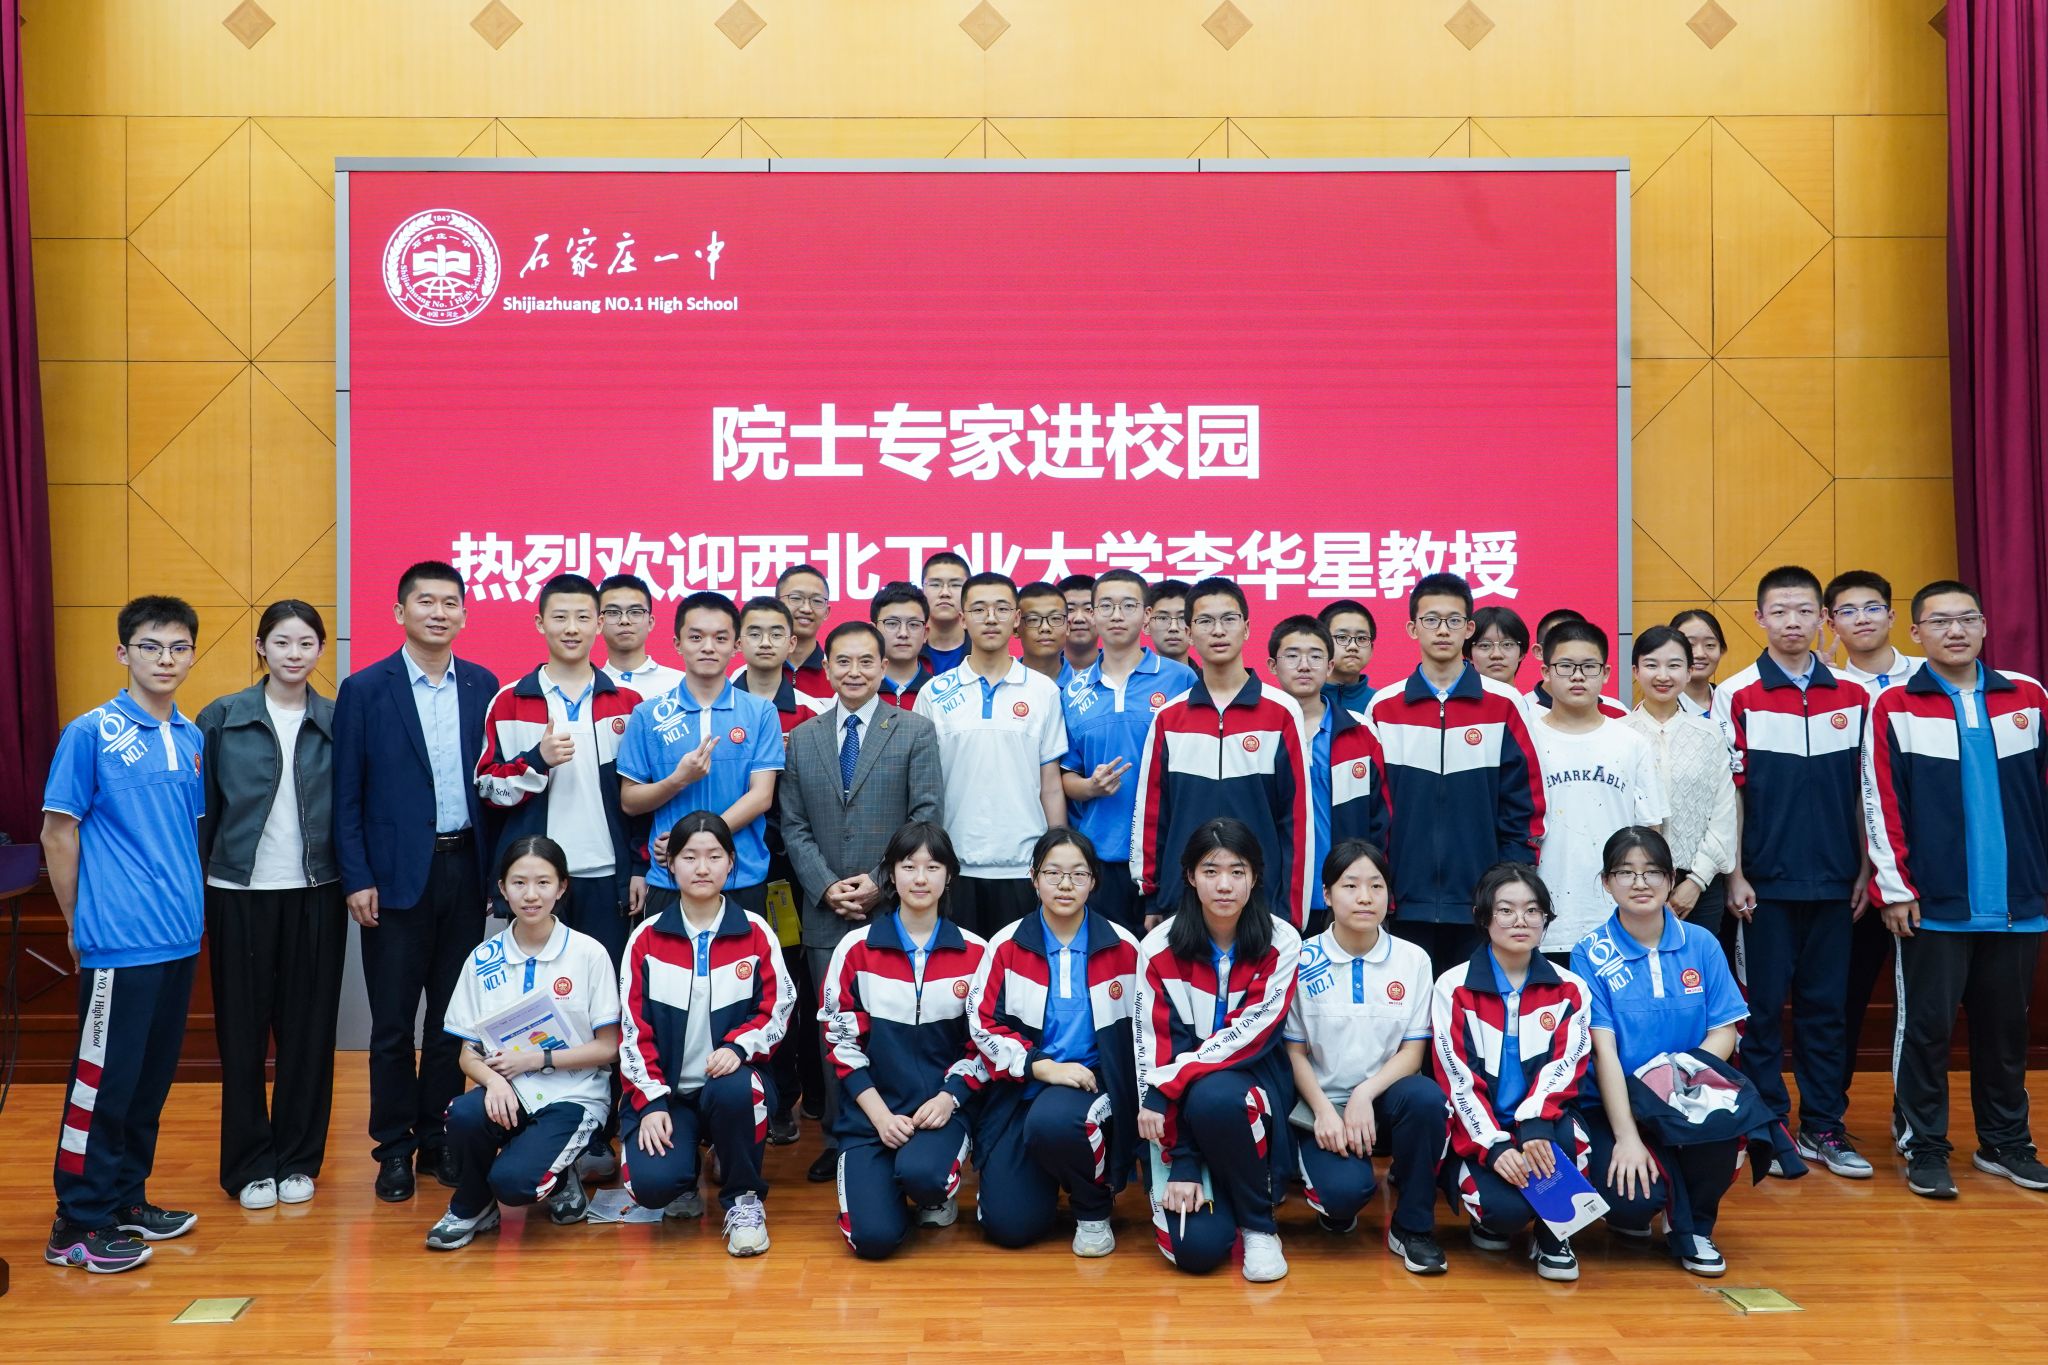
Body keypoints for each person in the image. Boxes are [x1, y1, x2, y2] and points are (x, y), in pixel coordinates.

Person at [1865, 579, 2048, 1198]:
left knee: (2006, 1034)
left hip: (2017, 903)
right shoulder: (1894, 706)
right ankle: (1924, 1147)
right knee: (1926, 1033)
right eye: (1940, 621)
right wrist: (1895, 889)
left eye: (1967, 618)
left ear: (1985, 626)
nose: (1956, 630)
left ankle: (2006, 1144)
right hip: (1934, 906)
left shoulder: (2028, 696)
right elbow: (1880, 802)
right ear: (1916, 633)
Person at [42, 596, 206, 1274]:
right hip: (118, 939)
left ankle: (124, 1200)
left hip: (178, 938)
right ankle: (76, 1223)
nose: (165, 659)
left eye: (178, 647)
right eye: (150, 646)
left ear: (191, 655)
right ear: (123, 653)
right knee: (102, 1086)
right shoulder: (90, 732)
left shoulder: (191, 735)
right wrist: (77, 921)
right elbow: (58, 831)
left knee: (146, 1082)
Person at [334, 560, 499, 1202]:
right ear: (400, 612)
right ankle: (394, 1149)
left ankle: (438, 1137)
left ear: (464, 615)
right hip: (393, 878)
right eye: (425, 602)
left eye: (450, 602)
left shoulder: (483, 685)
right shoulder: (365, 690)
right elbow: (347, 793)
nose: (439, 612)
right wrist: (357, 876)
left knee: (453, 1021)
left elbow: (493, 783)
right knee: (393, 1025)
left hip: (464, 869)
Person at [474, 572, 647, 1180]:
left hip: (606, 876)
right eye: (560, 617)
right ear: (539, 623)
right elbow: (487, 788)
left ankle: (599, 1131)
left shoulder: (628, 703)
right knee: (533, 1004)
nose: (572, 628)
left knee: (605, 1009)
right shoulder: (511, 700)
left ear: (598, 625)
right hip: (535, 886)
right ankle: (532, 1122)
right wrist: (534, 761)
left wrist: (638, 866)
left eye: (582, 617)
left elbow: (640, 797)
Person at [1717, 564, 1873, 1180]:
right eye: (1779, 611)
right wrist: (1735, 873)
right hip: (1764, 886)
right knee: (1759, 1013)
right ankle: (1771, 1127)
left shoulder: (1855, 696)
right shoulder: (1737, 695)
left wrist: (1865, 867)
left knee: (1826, 1010)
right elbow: (1730, 794)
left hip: (1837, 882)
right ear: (1760, 618)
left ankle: (1824, 1126)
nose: (1792, 622)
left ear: (1822, 619)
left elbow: (1865, 792)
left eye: (1804, 611)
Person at [781, 620, 944, 1183]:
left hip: (897, 906)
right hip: (825, 910)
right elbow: (793, 824)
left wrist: (880, 881)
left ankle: (906, 1127)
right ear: (826, 668)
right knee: (836, 1027)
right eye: (843, 662)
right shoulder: (804, 737)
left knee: (897, 1025)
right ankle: (842, 1136)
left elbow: (926, 816)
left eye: (866, 661)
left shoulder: (915, 730)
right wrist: (826, 886)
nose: (854, 672)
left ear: (883, 667)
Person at [196, 600, 345, 1211]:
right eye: (281, 642)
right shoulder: (222, 717)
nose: (294, 654)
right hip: (237, 893)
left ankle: (298, 1158)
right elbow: (202, 813)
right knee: (242, 1032)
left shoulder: (336, 720)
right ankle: (249, 1163)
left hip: (317, 890)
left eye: (306, 643)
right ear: (261, 647)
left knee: (308, 1032)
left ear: (320, 650)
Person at [1572, 827, 1759, 1277]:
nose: (1640, 883)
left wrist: (1677, 1081)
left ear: (1671, 879)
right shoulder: (1589, 953)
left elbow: (1724, 1031)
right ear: (1606, 882)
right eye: (1626, 872)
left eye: (1652, 872)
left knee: (1725, 1121)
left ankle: (1695, 1228)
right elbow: (1604, 1052)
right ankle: (1642, 1208)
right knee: (1632, 1198)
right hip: (1617, 1101)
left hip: (1686, 1089)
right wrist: (1627, 1137)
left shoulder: (1701, 943)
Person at [426, 836, 622, 1249]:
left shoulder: (588, 954)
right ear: (502, 888)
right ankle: (472, 1205)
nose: (531, 895)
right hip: (510, 1090)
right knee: (463, 1115)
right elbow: (467, 1054)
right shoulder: (482, 959)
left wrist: (537, 1059)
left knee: (514, 1183)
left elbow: (608, 1048)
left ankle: (559, 1172)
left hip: (575, 1094)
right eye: (519, 883)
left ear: (562, 887)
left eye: (543, 883)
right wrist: (494, 1081)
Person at [617, 812, 796, 1256]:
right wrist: (651, 1102)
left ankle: (744, 1199)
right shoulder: (645, 939)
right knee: (652, 1186)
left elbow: (778, 1007)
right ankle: (685, 1172)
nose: (702, 868)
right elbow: (632, 1033)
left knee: (739, 1090)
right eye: (689, 857)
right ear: (669, 864)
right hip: (670, 1093)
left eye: (714, 856)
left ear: (731, 863)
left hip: (728, 1084)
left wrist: (739, 1045)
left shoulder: (756, 932)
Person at [1136, 818, 1302, 1281]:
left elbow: (1251, 1034)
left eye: (1237, 871)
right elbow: (1155, 1049)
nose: (1224, 885)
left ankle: (1259, 1227)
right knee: (1197, 1251)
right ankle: (1217, 1184)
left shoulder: (1282, 940)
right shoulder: (1157, 947)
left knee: (1218, 1095)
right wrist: (1184, 1158)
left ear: (1255, 877)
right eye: (1210, 871)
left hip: (1252, 1081)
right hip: (1179, 1104)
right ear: (1190, 876)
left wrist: (1163, 1088)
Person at [970, 827, 1142, 1256]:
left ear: (1094, 881)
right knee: (1009, 1226)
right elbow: (981, 1024)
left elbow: (1145, 1031)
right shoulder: (1006, 944)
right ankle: (1046, 1176)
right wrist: (1039, 1066)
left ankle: (1092, 1207)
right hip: (1023, 1085)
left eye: (1078, 874)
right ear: (1033, 878)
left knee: (1054, 1121)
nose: (1065, 885)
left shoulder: (1123, 947)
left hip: (1093, 1083)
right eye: (1053, 873)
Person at [823, 821, 989, 1258]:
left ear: (948, 877)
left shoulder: (977, 953)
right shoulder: (855, 949)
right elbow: (840, 1043)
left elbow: (985, 1043)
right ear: (890, 875)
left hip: (940, 1111)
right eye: (908, 866)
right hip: (871, 1115)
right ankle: (886, 1187)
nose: (920, 878)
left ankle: (928, 1187)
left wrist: (950, 1097)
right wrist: (880, 1117)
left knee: (925, 1177)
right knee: (873, 1241)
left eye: (932, 867)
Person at [1368, 572, 1544, 975]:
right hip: (1403, 901)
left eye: (1453, 620)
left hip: (1481, 902)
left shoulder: (1504, 703)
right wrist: (1381, 884)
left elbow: (1526, 805)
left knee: (1474, 1004)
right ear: (1412, 628)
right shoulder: (1385, 707)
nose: (1443, 630)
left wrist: (1506, 885)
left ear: (1469, 629)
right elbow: (1373, 809)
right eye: (1431, 620)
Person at [1284, 841, 1446, 1274]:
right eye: (1350, 885)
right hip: (1321, 1105)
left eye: (1376, 886)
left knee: (1426, 1098)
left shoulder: (1413, 959)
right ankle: (1332, 1194)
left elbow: (1413, 1052)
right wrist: (1325, 1110)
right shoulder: (1301, 959)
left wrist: (1364, 1094)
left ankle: (1412, 1229)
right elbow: (1295, 1053)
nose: (1364, 897)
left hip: (1384, 1098)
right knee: (1342, 1198)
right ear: (1326, 894)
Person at [1432, 863, 1593, 1282]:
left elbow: (1566, 1065)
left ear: (1545, 919)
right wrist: (1494, 1146)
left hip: (1541, 1123)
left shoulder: (1570, 988)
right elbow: (1457, 1079)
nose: (1521, 920)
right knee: (1504, 1214)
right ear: (1484, 917)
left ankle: (1555, 1235)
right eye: (1506, 910)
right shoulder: (1453, 986)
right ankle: (1493, 1217)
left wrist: (1535, 1122)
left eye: (1532, 910)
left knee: (1564, 1134)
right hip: (1480, 1128)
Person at [1132, 577, 1312, 928]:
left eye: (1229, 619)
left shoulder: (1281, 712)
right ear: (1189, 632)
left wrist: (1290, 914)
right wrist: (1153, 895)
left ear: (1247, 628)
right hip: (1183, 901)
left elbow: (1296, 822)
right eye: (1205, 621)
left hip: (1261, 903)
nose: (1218, 631)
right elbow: (1154, 814)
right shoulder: (1170, 716)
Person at [913, 572, 1068, 938]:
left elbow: (1051, 784)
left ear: (1016, 619)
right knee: (956, 968)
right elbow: (921, 785)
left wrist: (1057, 855)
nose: (991, 618)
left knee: (1019, 968)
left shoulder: (1042, 691)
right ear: (963, 619)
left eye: (1001, 608)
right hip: (951, 866)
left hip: (1024, 865)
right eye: (979, 609)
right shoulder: (934, 693)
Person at [617, 591, 783, 925]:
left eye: (720, 638)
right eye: (696, 637)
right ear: (677, 644)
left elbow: (762, 796)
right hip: (670, 877)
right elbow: (630, 801)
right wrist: (678, 780)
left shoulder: (761, 712)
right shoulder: (648, 714)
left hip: (741, 875)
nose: (708, 647)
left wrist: (690, 842)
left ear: (736, 645)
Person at [1824, 569, 1923, 1113]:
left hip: (1924, 866)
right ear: (1831, 623)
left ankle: (1916, 1121)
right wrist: (1867, 866)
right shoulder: (1830, 690)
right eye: (1847, 611)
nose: (1861, 619)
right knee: (1847, 996)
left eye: (1871, 607)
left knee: (1927, 1004)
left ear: (1892, 615)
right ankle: (1829, 1116)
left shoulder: (1929, 677)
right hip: (1856, 869)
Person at [731, 593, 829, 1146]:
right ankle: (769, 1098)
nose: (765, 642)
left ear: (793, 643)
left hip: (797, 869)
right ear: (738, 641)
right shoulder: (719, 703)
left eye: (776, 633)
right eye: (755, 632)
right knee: (751, 985)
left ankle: (806, 1093)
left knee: (799, 984)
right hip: (739, 865)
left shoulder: (814, 712)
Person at [1060, 569, 1195, 933]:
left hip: (1169, 853)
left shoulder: (1180, 680)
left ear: (1146, 615)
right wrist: (1090, 787)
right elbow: (1065, 776)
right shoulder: (1073, 692)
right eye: (1106, 606)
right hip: (1100, 855)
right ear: (1092, 614)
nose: (1116, 615)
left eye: (1128, 605)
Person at [1528, 621, 1668, 954]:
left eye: (1589, 667)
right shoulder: (1527, 739)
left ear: (1606, 673)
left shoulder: (1631, 742)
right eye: (1565, 666)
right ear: (1546, 672)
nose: (1578, 676)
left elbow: (1649, 830)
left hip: (1616, 915)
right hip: (1541, 915)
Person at [1267, 614, 1388, 932]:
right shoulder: (1259, 732)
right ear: (1272, 666)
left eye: (1316, 656)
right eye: (1292, 656)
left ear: (1330, 665)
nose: (1304, 666)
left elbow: (1380, 820)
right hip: (1272, 897)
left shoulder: (1360, 732)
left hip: (1343, 900)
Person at [1623, 626, 1737, 943]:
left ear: (1688, 672)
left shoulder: (1710, 734)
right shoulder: (1619, 734)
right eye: (1651, 664)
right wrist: (1644, 878)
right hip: (1631, 882)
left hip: (1699, 887)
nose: (1663, 675)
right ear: (1635, 671)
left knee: (1693, 967)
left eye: (1674, 665)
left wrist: (1697, 881)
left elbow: (1723, 813)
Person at [597, 572, 683, 700]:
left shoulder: (680, 684)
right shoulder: (589, 685)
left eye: (635, 612)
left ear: (650, 622)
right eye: (613, 612)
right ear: (599, 623)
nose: (624, 620)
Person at [870, 580, 935, 708]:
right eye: (892, 623)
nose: (903, 633)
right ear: (873, 631)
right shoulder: (859, 693)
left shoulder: (940, 694)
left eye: (913, 624)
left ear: (925, 634)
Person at [776, 563, 834, 700]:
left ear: (827, 612)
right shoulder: (747, 675)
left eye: (817, 600)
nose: (806, 609)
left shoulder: (838, 676)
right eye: (796, 598)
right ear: (777, 605)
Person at [1670, 609, 1730, 728]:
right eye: (1689, 645)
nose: (1700, 654)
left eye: (1710, 645)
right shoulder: (1659, 708)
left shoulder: (1731, 702)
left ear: (1721, 650)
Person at [1317, 599, 1377, 714]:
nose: (1353, 646)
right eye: (1342, 637)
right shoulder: (1301, 702)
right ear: (1321, 644)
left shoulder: (1380, 704)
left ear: (1371, 650)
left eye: (1362, 638)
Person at [919, 551, 973, 675]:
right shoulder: (908, 649)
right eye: (935, 584)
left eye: (955, 585)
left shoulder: (981, 651)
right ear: (922, 591)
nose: (945, 593)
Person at [1464, 605, 1530, 689]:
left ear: (1521, 653)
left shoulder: (1532, 698)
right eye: (1485, 645)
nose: (1496, 654)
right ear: (1469, 655)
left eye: (1507, 644)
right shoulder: (1453, 697)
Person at [1016, 580, 1069, 681]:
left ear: (1068, 627)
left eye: (1055, 618)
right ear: (1015, 629)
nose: (1045, 628)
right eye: (1033, 619)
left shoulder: (1086, 686)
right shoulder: (1001, 685)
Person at [1058, 572, 1101, 683]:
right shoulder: (1040, 676)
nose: (1079, 618)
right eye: (1070, 610)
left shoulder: (1121, 671)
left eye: (1088, 609)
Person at [1145, 577, 1193, 666]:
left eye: (1182, 618)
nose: (1173, 628)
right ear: (1146, 625)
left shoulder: (1209, 675)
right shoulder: (1131, 675)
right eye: (1163, 618)